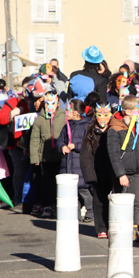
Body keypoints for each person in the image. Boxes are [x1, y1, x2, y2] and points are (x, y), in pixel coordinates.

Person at [107, 95, 139, 241]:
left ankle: (133, 230)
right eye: (138, 109)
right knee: (123, 202)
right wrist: (121, 174)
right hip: (124, 172)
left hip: (137, 170)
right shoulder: (115, 128)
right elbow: (114, 154)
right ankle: (121, 229)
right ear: (129, 111)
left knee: (137, 201)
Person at [29, 90, 65, 219]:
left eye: (53, 103)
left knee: (60, 182)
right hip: (45, 157)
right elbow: (34, 139)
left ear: (58, 103)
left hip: (61, 157)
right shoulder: (39, 119)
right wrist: (35, 157)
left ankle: (59, 205)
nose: (50, 106)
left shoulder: (64, 116)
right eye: (47, 103)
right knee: (47, 182)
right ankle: (49, 205)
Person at [81, 103, 114, 238]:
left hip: (113, 171)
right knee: (99, 201)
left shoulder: (114, 130)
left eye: (106, 115)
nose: (103, 118)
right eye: (100, 115)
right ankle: (101, 227)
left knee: (113, 201)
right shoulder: (91, 132)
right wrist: (89, 174)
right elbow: (86, 155)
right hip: (98, 172)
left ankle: (112, 225)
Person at [57, 99, 93, 222]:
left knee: (83, 189)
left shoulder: (87, 125)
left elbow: (88, 144)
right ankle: (75, 214)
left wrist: (76, 145)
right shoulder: (67, 125)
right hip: (67, 162)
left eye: (68, 109)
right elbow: (60, 140)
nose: (66, 112)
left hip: (79, 163)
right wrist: (62, 146)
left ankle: (90, 211)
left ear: (76, 112)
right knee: (72, 192)